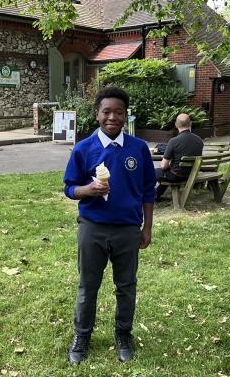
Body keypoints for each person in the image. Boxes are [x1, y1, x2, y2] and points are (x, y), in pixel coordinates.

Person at [63, 86, 157, 364]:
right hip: (93, 227)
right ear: (97, 114)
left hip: (128, 229)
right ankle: (82, 335)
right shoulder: (84, 148)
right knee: (88, 285)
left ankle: (123, 333)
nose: (112, 117)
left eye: (119, 112)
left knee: (126, 285)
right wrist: (88, 190)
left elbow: (148, 190)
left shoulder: (138, 148)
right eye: (106, 111)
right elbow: (70, 188)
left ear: (126, 115)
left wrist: (147, 227)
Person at [155, 113, 203, 200]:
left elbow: (163, 165)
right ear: (190, 124)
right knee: (169, 171)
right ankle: (156, 194)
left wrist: (166, 166)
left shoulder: (174, 141)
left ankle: (146, 196)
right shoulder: (199, 140)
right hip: (191, 174)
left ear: (176, 125)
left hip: (176, 176)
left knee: (152, 171)